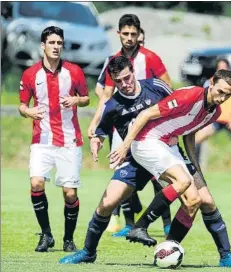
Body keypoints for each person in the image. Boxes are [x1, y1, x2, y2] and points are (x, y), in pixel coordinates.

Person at [59, 56, 198, 265]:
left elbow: (179, 106)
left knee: (194, 200)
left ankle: (173, 247)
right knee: (106, 204)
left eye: (127, 78)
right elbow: (101, 131)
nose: (125, 84)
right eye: (119, 81)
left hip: (165, 153)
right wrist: (96, 141)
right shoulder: (113, 105)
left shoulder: (156, 86)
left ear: (133, 71)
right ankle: (88, 252)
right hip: (136, 158)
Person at [109, 69, 231, 268]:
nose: (222, 97)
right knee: (183, 182)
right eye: (220, 91)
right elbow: (146, 113)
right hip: (148, 140)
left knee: (199, 200)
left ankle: (222, 256)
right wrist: (124, 146)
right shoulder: (191, 95)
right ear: (211, 83)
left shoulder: (214, 111)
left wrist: (196, 169)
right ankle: (140, 226)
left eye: (228, 94)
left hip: (170, 145)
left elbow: (189, 134)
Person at [90, 14, 172, 237]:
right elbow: (106, 95)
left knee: (160, 176)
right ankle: (129, 223)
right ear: (118, 34)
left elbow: (168, 87)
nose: (128, 38)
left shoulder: (151, 58)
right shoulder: (113, 61)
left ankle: (167, 224)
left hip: (153, 128)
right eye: (125, 34)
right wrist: (95, 124)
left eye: (133, 34)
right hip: (122, 127)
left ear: (139, 35)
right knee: (123, 174)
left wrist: (169, 124)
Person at [18, 26, 90, 252]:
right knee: (36, 182)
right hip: (42, 140)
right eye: (52, 43)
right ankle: (46, 235)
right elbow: (22, 105)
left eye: (59, 43)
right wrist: (28, 112)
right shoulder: (30, 74)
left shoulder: (74, 71)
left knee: (70, 193)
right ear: (43, 46)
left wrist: (76, 101)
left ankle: (68, 240)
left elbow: (87, 98)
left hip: (69, 140)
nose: (56, 47)